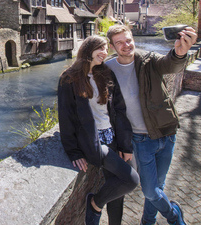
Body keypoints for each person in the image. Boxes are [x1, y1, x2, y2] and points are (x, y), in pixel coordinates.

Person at [106, 24, 197, 225]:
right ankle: (174, 217)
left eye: (128, 39)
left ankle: (148, 222)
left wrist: (180, 53)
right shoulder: (107, 69)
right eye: (119, 42)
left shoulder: (149, 60)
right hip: (140, 139)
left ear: (133, 39)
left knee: (158, 186)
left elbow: (170, 64)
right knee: (149, 189)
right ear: (112, 46)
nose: (125, 45)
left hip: (167, 132)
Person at [57, 35, 139, 225]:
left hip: (113, 137)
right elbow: (65, 117)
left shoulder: (106, 74)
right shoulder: (69, 78)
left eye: (105, 48)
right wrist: (73, 151)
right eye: (99, 48)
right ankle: (94, 203)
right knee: (131, 180)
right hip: (93, 141)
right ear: (88, 49)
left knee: (119, 192)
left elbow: (119, 110)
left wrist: (125, 145)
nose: (104, 53)